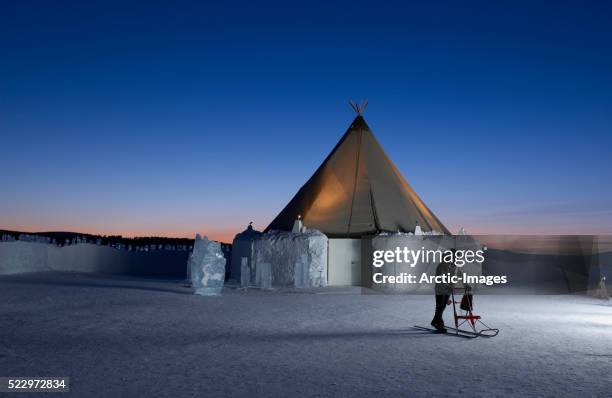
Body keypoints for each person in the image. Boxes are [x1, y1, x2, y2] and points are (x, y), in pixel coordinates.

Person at [431, 256, 457, 333]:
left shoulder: (452, 266)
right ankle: (438, 323)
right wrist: (448, 286)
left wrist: (465, 284)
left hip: (447, 290)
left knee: (442, 307)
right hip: (440, 289)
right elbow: (439, 278)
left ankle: (435, 321)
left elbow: (458, 275)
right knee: (440, 306)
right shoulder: (441, 266)